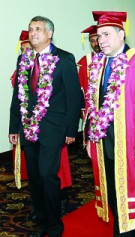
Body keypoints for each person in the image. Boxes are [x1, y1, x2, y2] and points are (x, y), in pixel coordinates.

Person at [84, 11, 135, 237]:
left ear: (121, 34)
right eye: (99, 36)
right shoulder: (98, 63)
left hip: (129, 141)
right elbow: (92, 104)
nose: (102, 41)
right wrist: (91, 139)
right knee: (110, 191)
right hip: (102, 141)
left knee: (127, 194)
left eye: (107, 34)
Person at [9, 16, 81, 237]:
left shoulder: (64, 59)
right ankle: (41, 221)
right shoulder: (24, 60)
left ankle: (54, 225)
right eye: (30, 29)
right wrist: (14, 127)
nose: (33, 33)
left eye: (38, 29)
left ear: (50, 33)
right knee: (35, 176)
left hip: (53, 128)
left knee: (48, 175)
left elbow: (73, 97)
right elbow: (17, 97)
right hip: (28, 128)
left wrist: (71, 130)